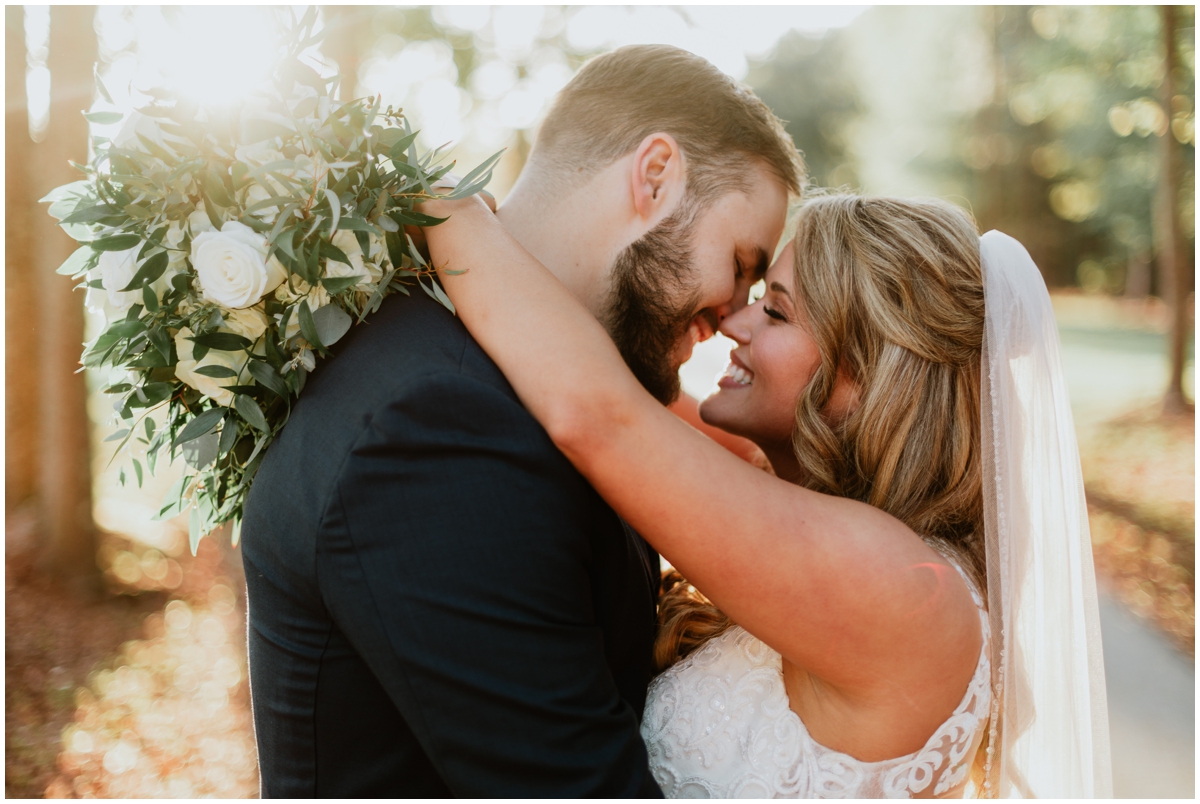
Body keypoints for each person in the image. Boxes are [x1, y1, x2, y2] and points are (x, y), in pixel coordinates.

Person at [239, 45, 802, 796]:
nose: (734, 316)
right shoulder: (438, 423)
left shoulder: (505, 385)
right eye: (740, 263)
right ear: (655, 175)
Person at [419, 192, 1113, 798]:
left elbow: (597, 415)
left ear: (869, 375)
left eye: (775, 314)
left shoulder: (910, 590)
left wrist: (429, 198)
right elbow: (609, 380)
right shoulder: (791, 503)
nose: (733, 325)